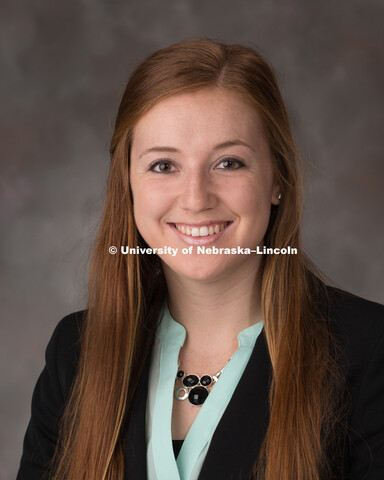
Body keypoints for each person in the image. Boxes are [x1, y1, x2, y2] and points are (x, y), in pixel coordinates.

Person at [17, 38, 384, 480]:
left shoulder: (369, 351)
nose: (195, 199)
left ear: (277, 179)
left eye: (229, 163)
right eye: (163, 166)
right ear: (128, 185)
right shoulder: (75, 352)